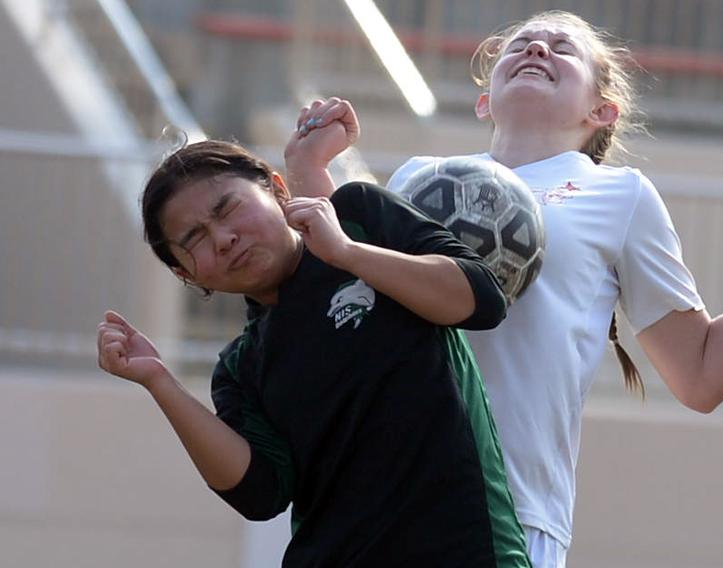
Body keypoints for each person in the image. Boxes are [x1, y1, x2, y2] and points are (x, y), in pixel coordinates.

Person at [382, 10, 723, 567]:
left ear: (601, 110)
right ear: (485, 100)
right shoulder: (417, 175)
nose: (537, 50)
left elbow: (701, 374)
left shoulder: (618, 196)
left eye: (562, 48)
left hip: (503, 511)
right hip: (374, 494)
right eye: (523, 44)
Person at [95, 111, 531, 566]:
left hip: (466, 552)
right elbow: (260, 494)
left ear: (278, 191)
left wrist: (345, 251)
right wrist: (159, 381)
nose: (224, 238)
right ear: (186, 274)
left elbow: (480, 299)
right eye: (195, 238)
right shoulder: (241, 368)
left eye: (228, 209)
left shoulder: (360, 219)